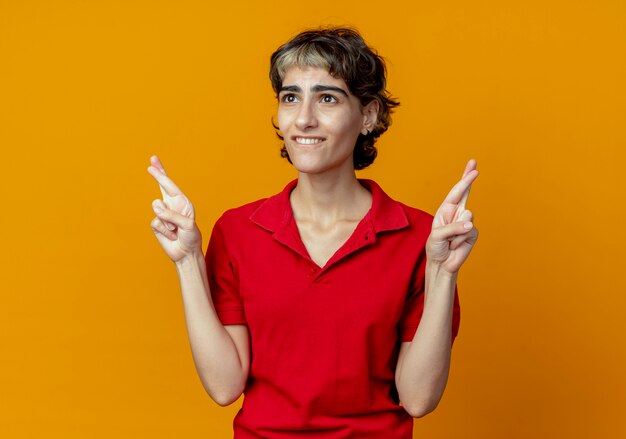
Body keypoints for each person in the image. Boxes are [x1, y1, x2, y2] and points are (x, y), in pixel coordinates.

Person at [148, 27, 479, 438]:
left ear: (369, 115)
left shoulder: (421, 238)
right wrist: (187, 262)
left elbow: (418, 398)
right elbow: (224, 385)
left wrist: (443, 273)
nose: (304, 118)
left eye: (327, 97)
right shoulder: (236, 231)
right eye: (291, 97)